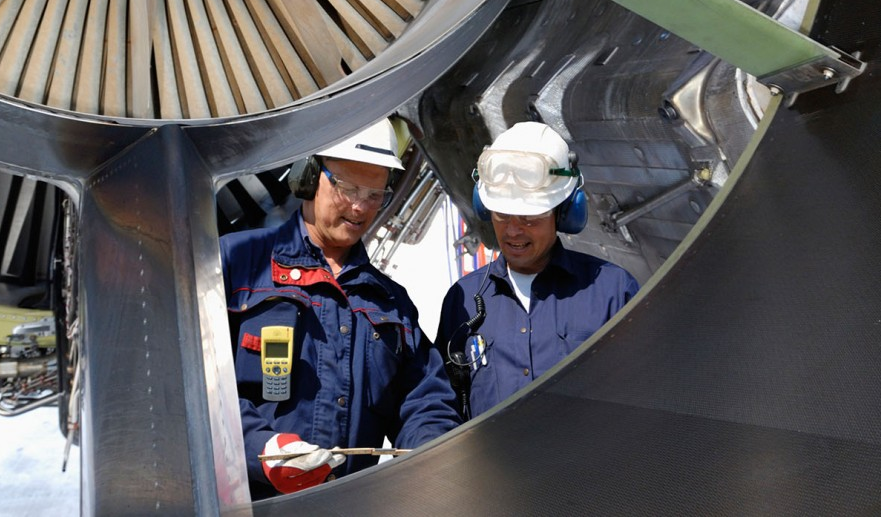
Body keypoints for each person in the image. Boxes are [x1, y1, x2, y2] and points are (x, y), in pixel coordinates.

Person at [219, 119, 461, 500]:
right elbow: (194, 388)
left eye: (375, 194)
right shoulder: (235, 264)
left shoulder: (391, 304)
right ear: (308, 176)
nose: (360, 207)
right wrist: (261, 449)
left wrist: (427, 458)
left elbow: (425, 401)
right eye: (348, 189)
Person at [436, 121, 640, 419]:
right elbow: (440, 405)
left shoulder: (613, 292)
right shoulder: (462, 300)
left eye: (529, 217)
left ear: (563, 211)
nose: (513, 231)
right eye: (502, 215)